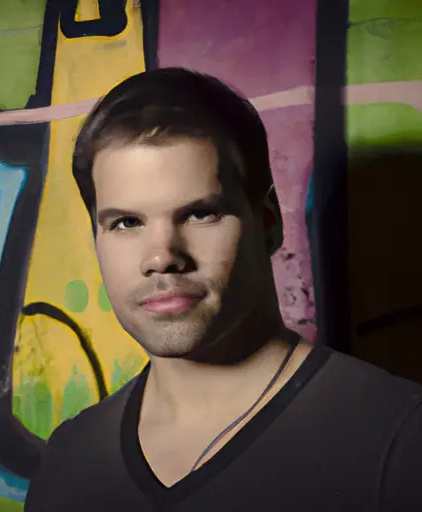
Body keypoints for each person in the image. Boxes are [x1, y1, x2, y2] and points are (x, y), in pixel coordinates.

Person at [24, 68, 422, 511]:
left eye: (199, 214)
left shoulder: (399, 438)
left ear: (267, 222)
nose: (161, 256)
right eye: (127, 222)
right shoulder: (68, 462)